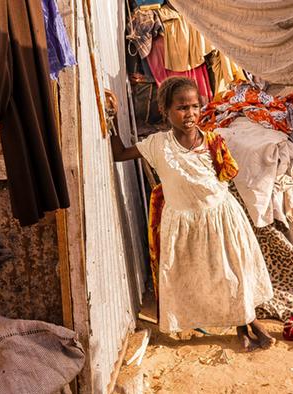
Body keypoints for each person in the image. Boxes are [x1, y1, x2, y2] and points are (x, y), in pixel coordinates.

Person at [108, 77, 276, 350]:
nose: (190, 114)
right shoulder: (157, 145)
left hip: (221, 218)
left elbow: (227, 174)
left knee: (233, 272)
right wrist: (111, 120)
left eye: (195, 107)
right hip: (185, 224)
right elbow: (119, 154)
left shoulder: (211, 141)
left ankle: (248, 323)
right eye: (182, 108)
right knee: (206, 278)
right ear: (165, 111)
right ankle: (240, 324)